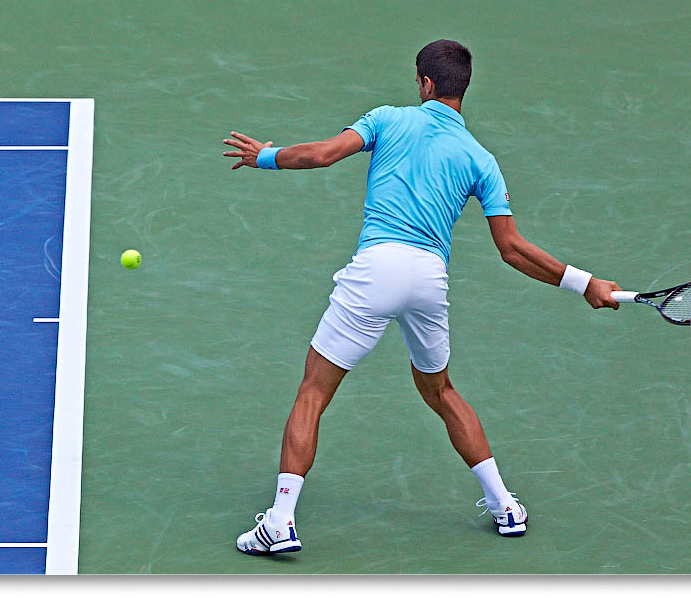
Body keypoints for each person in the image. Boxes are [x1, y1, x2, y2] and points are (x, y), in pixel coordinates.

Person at [222, 39, 622, 555]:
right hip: (429, 281)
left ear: (426, 83)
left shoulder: (387, 119)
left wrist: (265, 157)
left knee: (314, 392)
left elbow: (322, 155)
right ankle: (504, 505)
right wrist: (585, 283)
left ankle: (279, 522)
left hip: (376, 271)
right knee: (441, 391)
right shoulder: (481, 159)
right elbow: (512, 249)